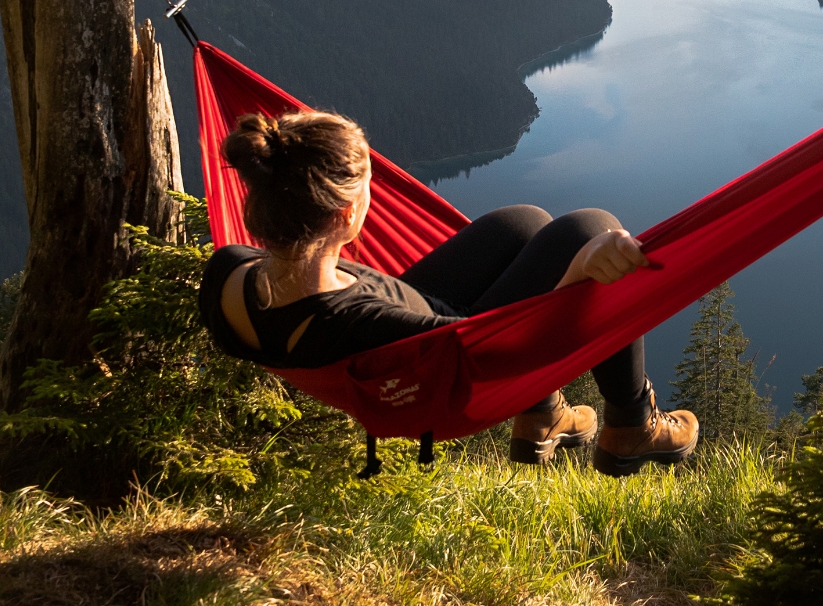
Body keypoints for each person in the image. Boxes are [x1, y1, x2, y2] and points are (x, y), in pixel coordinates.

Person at [194, 109, 702, 473]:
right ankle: (631, 425)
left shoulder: (230, 272)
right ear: (345, 214)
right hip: (441, 368)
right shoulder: (363, 320)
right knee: (591, 228)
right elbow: (498, 351)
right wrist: (579, 274)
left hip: (411, 331)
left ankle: (545, 414)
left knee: (523, 223)